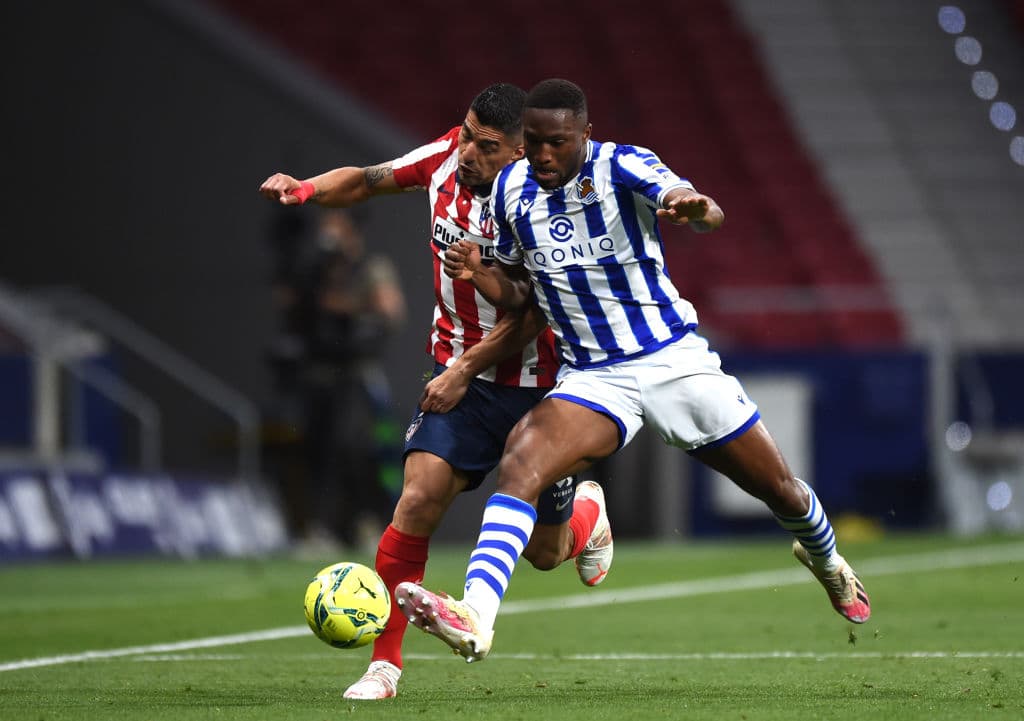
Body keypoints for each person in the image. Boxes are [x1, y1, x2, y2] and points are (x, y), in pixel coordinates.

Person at [397, 78, 871, 664]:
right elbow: (521, 296)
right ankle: (475, 618)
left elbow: (699, 205)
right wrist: (482, 272)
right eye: (537, 143)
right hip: (594, 376)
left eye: (559, 143)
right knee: (520, 460)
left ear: (585, 136)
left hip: (673, 362)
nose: (545, 156)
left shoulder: (622, 166)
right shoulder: (512, 190)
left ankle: (826, 562)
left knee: (781, 491)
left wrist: (696, 210)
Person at [258, 82, 614, 700]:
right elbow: (369, 180)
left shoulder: (544, 202)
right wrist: (309, 189)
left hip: (539, 386)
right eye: (467, 134)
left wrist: (462, 370)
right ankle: (385, 666)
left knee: (547, 553)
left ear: (520, 151)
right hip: (458, 379)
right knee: (417, 501)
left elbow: (533, 314)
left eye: (488, 145)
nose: (469, 151)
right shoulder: (447, 158)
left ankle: (587, 517)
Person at [267, 208, 406, 551]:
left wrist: (344, 306)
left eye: (337, 226)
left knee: (360, 449)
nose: (328, 233)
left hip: (358, 372)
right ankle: (316, 529)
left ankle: (368, 523)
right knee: (315, 451)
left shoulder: (370, 267)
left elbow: (391, 313)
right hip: (317, 373)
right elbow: (288, 305)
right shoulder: (314, 270)